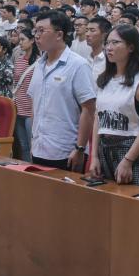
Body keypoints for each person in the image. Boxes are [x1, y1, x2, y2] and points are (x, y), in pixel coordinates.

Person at [27, 10, 97, 171]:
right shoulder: (38, 65)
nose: (36, 36)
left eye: (41, 31)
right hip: (39, 148)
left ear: (59, 34)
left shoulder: (78, 65)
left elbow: (88, 109)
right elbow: (34, 105)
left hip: (67, 151)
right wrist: (33, 140)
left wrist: (80, 148)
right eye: (35, 31)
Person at [91, 25, 139, 186]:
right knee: (105, 198)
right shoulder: (104, 79)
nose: (109, 47)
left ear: (131, 47)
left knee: (133, 198)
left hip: (130, 149)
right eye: (107, 43)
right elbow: (98, 119)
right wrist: (94, 156)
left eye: (115, 42)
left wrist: (128, 160)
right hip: (103, 148)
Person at [12, 28, 39, 162]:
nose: (20, 43)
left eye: (23, 39)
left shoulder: (39, 62)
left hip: (31, 109)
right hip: (18, 107)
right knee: (23, 145)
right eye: (19, 40)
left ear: (32, 40)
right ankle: (25, 169)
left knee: (32, 144)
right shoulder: (19, 60)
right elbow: (15, 83)